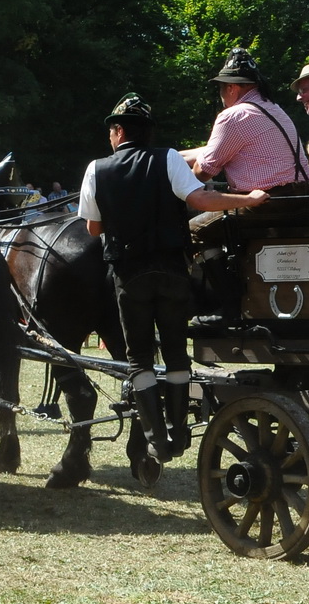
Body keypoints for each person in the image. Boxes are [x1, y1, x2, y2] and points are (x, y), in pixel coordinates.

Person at [80, 93, 268, 462]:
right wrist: (246, 198)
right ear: (147, 132)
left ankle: (155, 440)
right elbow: (200, 200)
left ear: (118, 132)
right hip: (170, 271)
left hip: (129, 276)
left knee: (139, 360)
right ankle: (179, 433)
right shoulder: (167, 158)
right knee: (176, 353)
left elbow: (92, 228)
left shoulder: (96, 169)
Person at [180, 48, 309, 193]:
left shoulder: (234, 116)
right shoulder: (275, 109)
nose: (221, 95)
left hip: (266, 206)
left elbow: (203, 172)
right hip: (301, 200)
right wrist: (175, 156)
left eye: (221, 88)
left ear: (231, 87)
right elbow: (215, 151)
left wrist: (176, 180)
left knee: (195, 215)